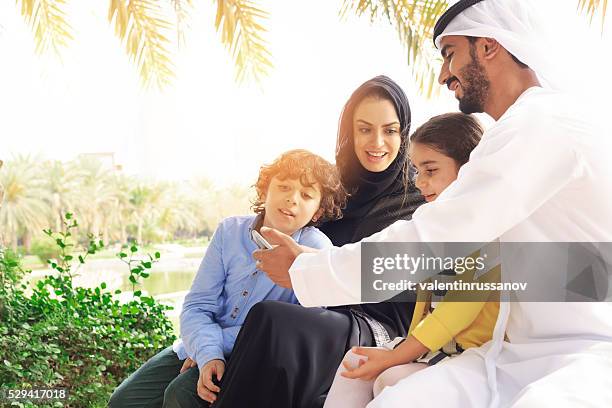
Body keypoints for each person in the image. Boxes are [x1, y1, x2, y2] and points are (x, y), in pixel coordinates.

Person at [254, 1, 612, 407]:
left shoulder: (543, 123)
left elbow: (435, 239)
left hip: (586, 356)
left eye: (450, 53)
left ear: (489, 47)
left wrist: (308, 270)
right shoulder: (518, 130)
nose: (444, 74)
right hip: (507, 357)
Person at [212, 76, 425, 408]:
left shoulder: (418, 195)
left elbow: (423, 275)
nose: (377, 142)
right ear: (348, 132)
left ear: (404, 133)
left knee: (273, 320)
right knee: (269, 317)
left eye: (390, 130)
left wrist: (316, 265)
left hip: (379, 324)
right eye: (365, 129)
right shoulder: (332, 191)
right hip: (324, 309)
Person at [108, 149, 347, 408]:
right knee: (124, 400)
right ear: (265, 190)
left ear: (318, 211)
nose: (292, 199)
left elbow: (294, 334)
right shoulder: (229, 231)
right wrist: (207, 351)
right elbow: (197, 304)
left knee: (181, 394)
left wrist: (211, 348)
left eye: (306, 195)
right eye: (284, 187)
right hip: (197, 343)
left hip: (251, 356)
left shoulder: (319, 251)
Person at [324, 112, 500, 407]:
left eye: (430, 171)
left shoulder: (488, 236)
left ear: (469, 170)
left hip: (468, 352)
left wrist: (396, 356)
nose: (419, 182)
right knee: (356, 361)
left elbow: (455, 312)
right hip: (430, 347)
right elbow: (426, 305)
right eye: (416, 171)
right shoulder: (435, 231)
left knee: (389, 380)